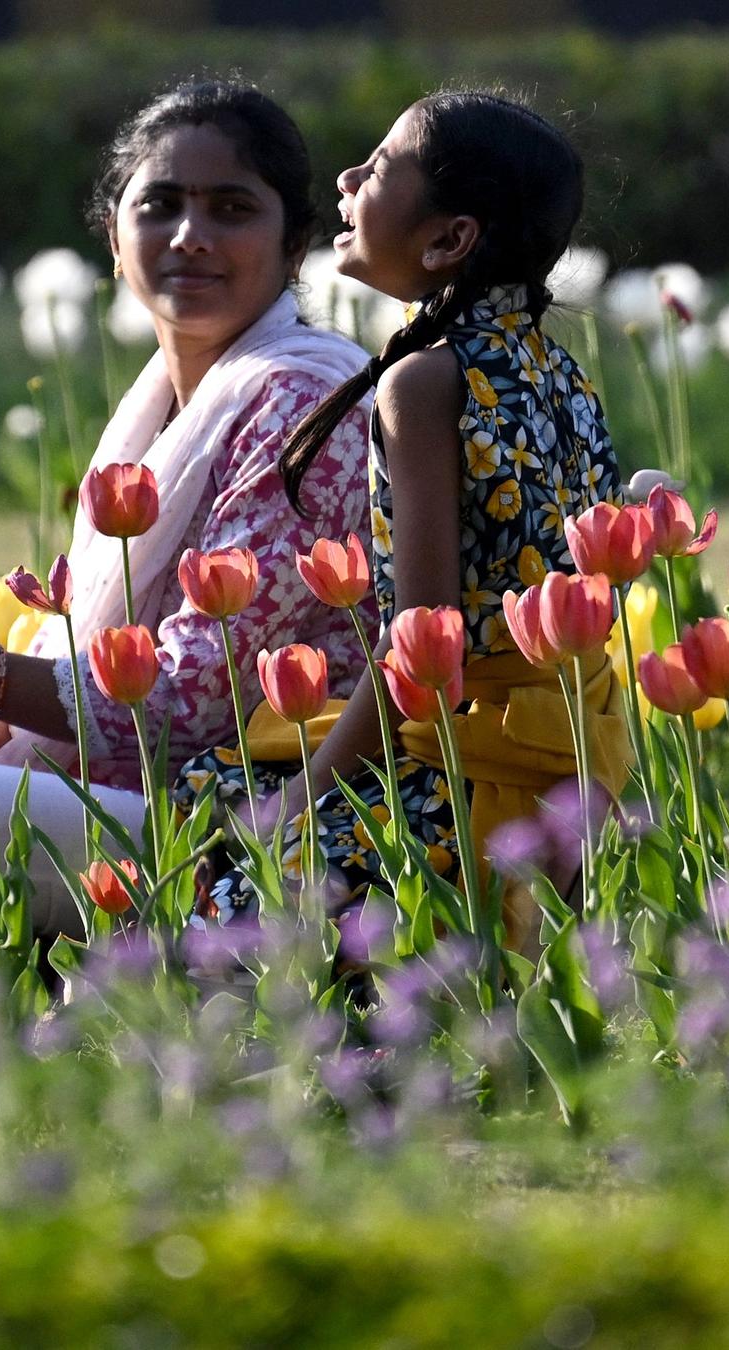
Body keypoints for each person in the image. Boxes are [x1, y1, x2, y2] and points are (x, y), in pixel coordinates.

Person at [0, 81, 374, 938]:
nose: (191, 235)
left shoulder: (305, 402)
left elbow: (191, 697)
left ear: (294, 246)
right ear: (114, 240)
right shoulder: (164, 411)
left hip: (276, 822)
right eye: (160, 205)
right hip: (173, 799)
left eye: (231, 208)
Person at [207, 89, 628, 955]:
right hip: (568, 769)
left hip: (459, 789)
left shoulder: (426, 382)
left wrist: (304, 800)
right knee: (226, 773)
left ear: (447, 241)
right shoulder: (560, 374)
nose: (348, 176)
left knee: (226, 860)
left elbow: (424, 650)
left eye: (382, 165)